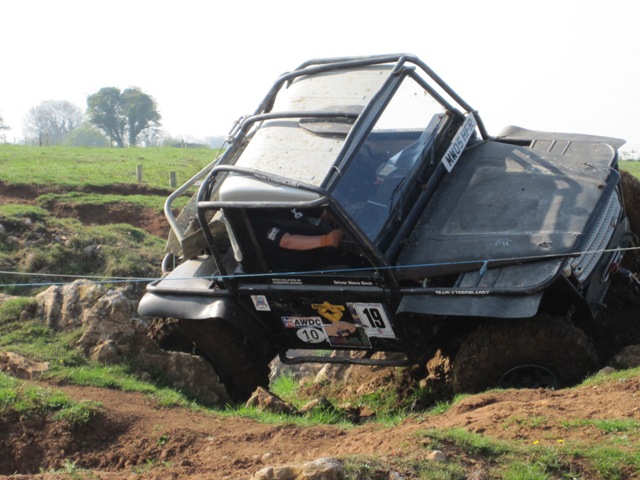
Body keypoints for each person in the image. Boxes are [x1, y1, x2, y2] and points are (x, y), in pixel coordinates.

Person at [250, 207, 344, 271]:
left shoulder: (290, 201)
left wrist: (342, 218)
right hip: (304, 271)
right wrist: (326, 240)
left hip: (325, 252)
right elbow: (287, 241)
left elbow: (324, 214)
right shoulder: (260, 225)